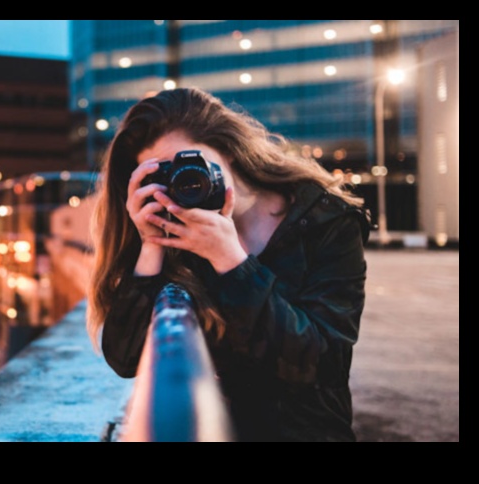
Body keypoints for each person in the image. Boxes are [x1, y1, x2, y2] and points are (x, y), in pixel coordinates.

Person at [86, 87, 371, 442]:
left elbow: (322, 361)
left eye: (191, 164)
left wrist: (230, 261)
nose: (183, 182)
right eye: (164, 174)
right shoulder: (173, 234)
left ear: (231, 151)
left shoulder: (326, 222)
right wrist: (150, 244)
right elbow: (126, 359)